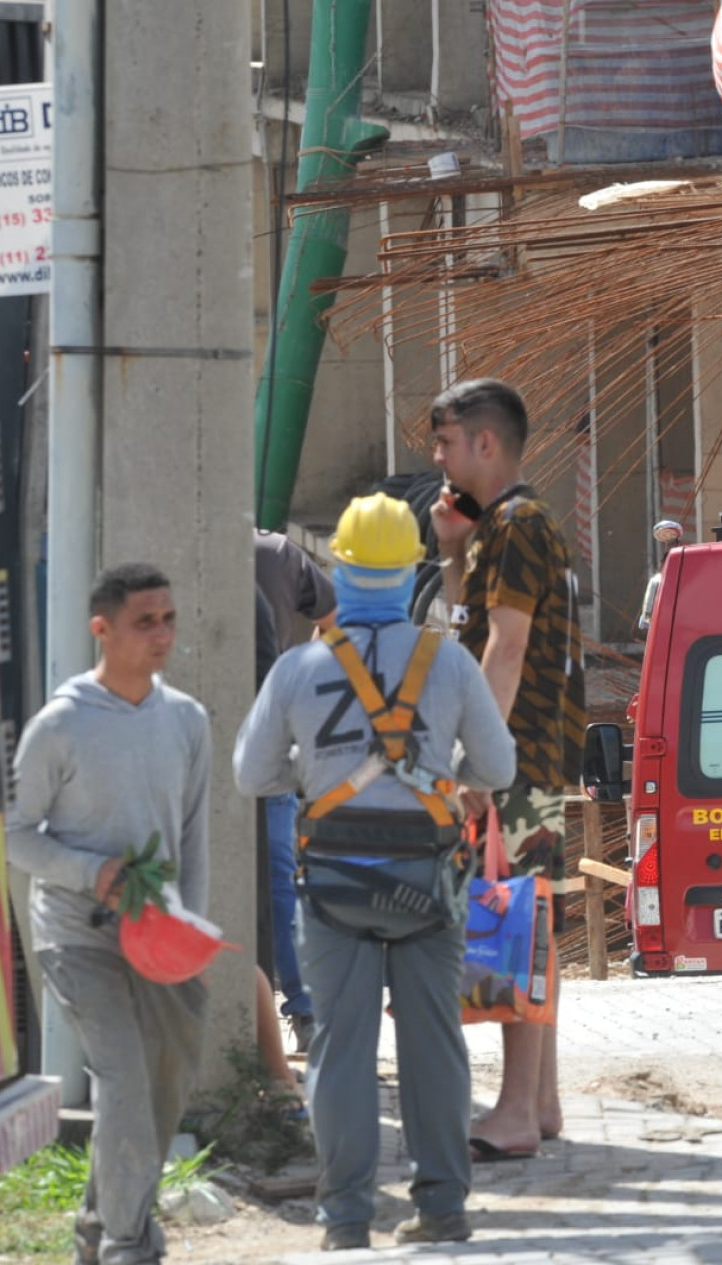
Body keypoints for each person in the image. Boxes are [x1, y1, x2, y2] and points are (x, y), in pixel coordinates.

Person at [235, 493, 517, 1251]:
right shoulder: (449, 662)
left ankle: (347, 1218)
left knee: (339, 1046)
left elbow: (250, 773)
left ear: (341, 569)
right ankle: (442, 1205)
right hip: (426, 882)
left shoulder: (299, 667)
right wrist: (437, 775)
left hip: (333, 883)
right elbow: (496, 765)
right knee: (433, 1042)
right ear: (408, 573)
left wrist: (316, 774)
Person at [6, 563, 212, 1265]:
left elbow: (192, 836)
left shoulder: (186, 719)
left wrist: (192, 928)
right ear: (102, 629)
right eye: (144, 622)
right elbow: (15, 833)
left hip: (160, 937)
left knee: (161, 1086)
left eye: (169, 619)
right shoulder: (58, 725)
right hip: (76, 936)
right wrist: (90, 872)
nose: (162, 635)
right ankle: (131, 1242)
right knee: (122, 1076)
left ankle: (98, 1226)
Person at [427, 378, 587, 1161]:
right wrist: (453, 555)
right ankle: (540, 1101)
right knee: (536, 926)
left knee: (522, 925)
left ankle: (517, 1110)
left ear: (485, 443)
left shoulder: (520, 523)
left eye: (446, 442)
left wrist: (477, 763)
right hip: (521, 758)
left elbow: (507, 647)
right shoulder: (497, 530)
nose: (437, 458)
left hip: (517, 761)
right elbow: (471, 628)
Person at [255, 529, 338, 1053]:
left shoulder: (173, 542)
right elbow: (333, 621)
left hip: (201, 737)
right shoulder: (276, 552)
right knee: (281, 875)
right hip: (271, 738)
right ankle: (304, 1011)